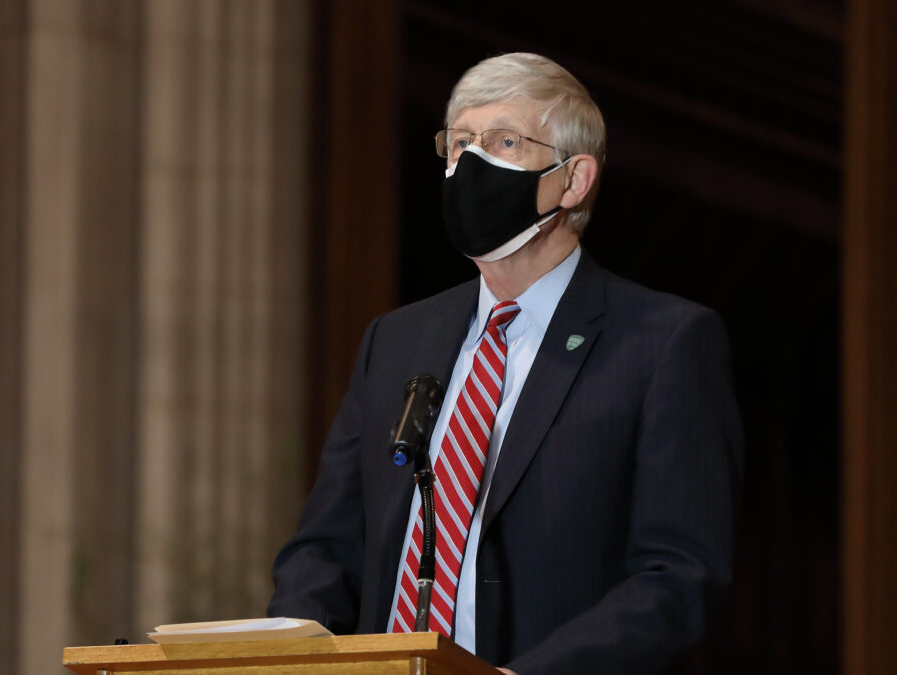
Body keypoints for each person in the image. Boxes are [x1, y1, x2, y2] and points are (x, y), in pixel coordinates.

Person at [267, 53, 742, 674]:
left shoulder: (665, 342)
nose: (469, 165)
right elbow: (325, 548)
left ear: (573, 180)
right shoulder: (397, 339)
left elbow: (679, 575)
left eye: (504, 142)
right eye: (459, 144)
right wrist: (293, 656)